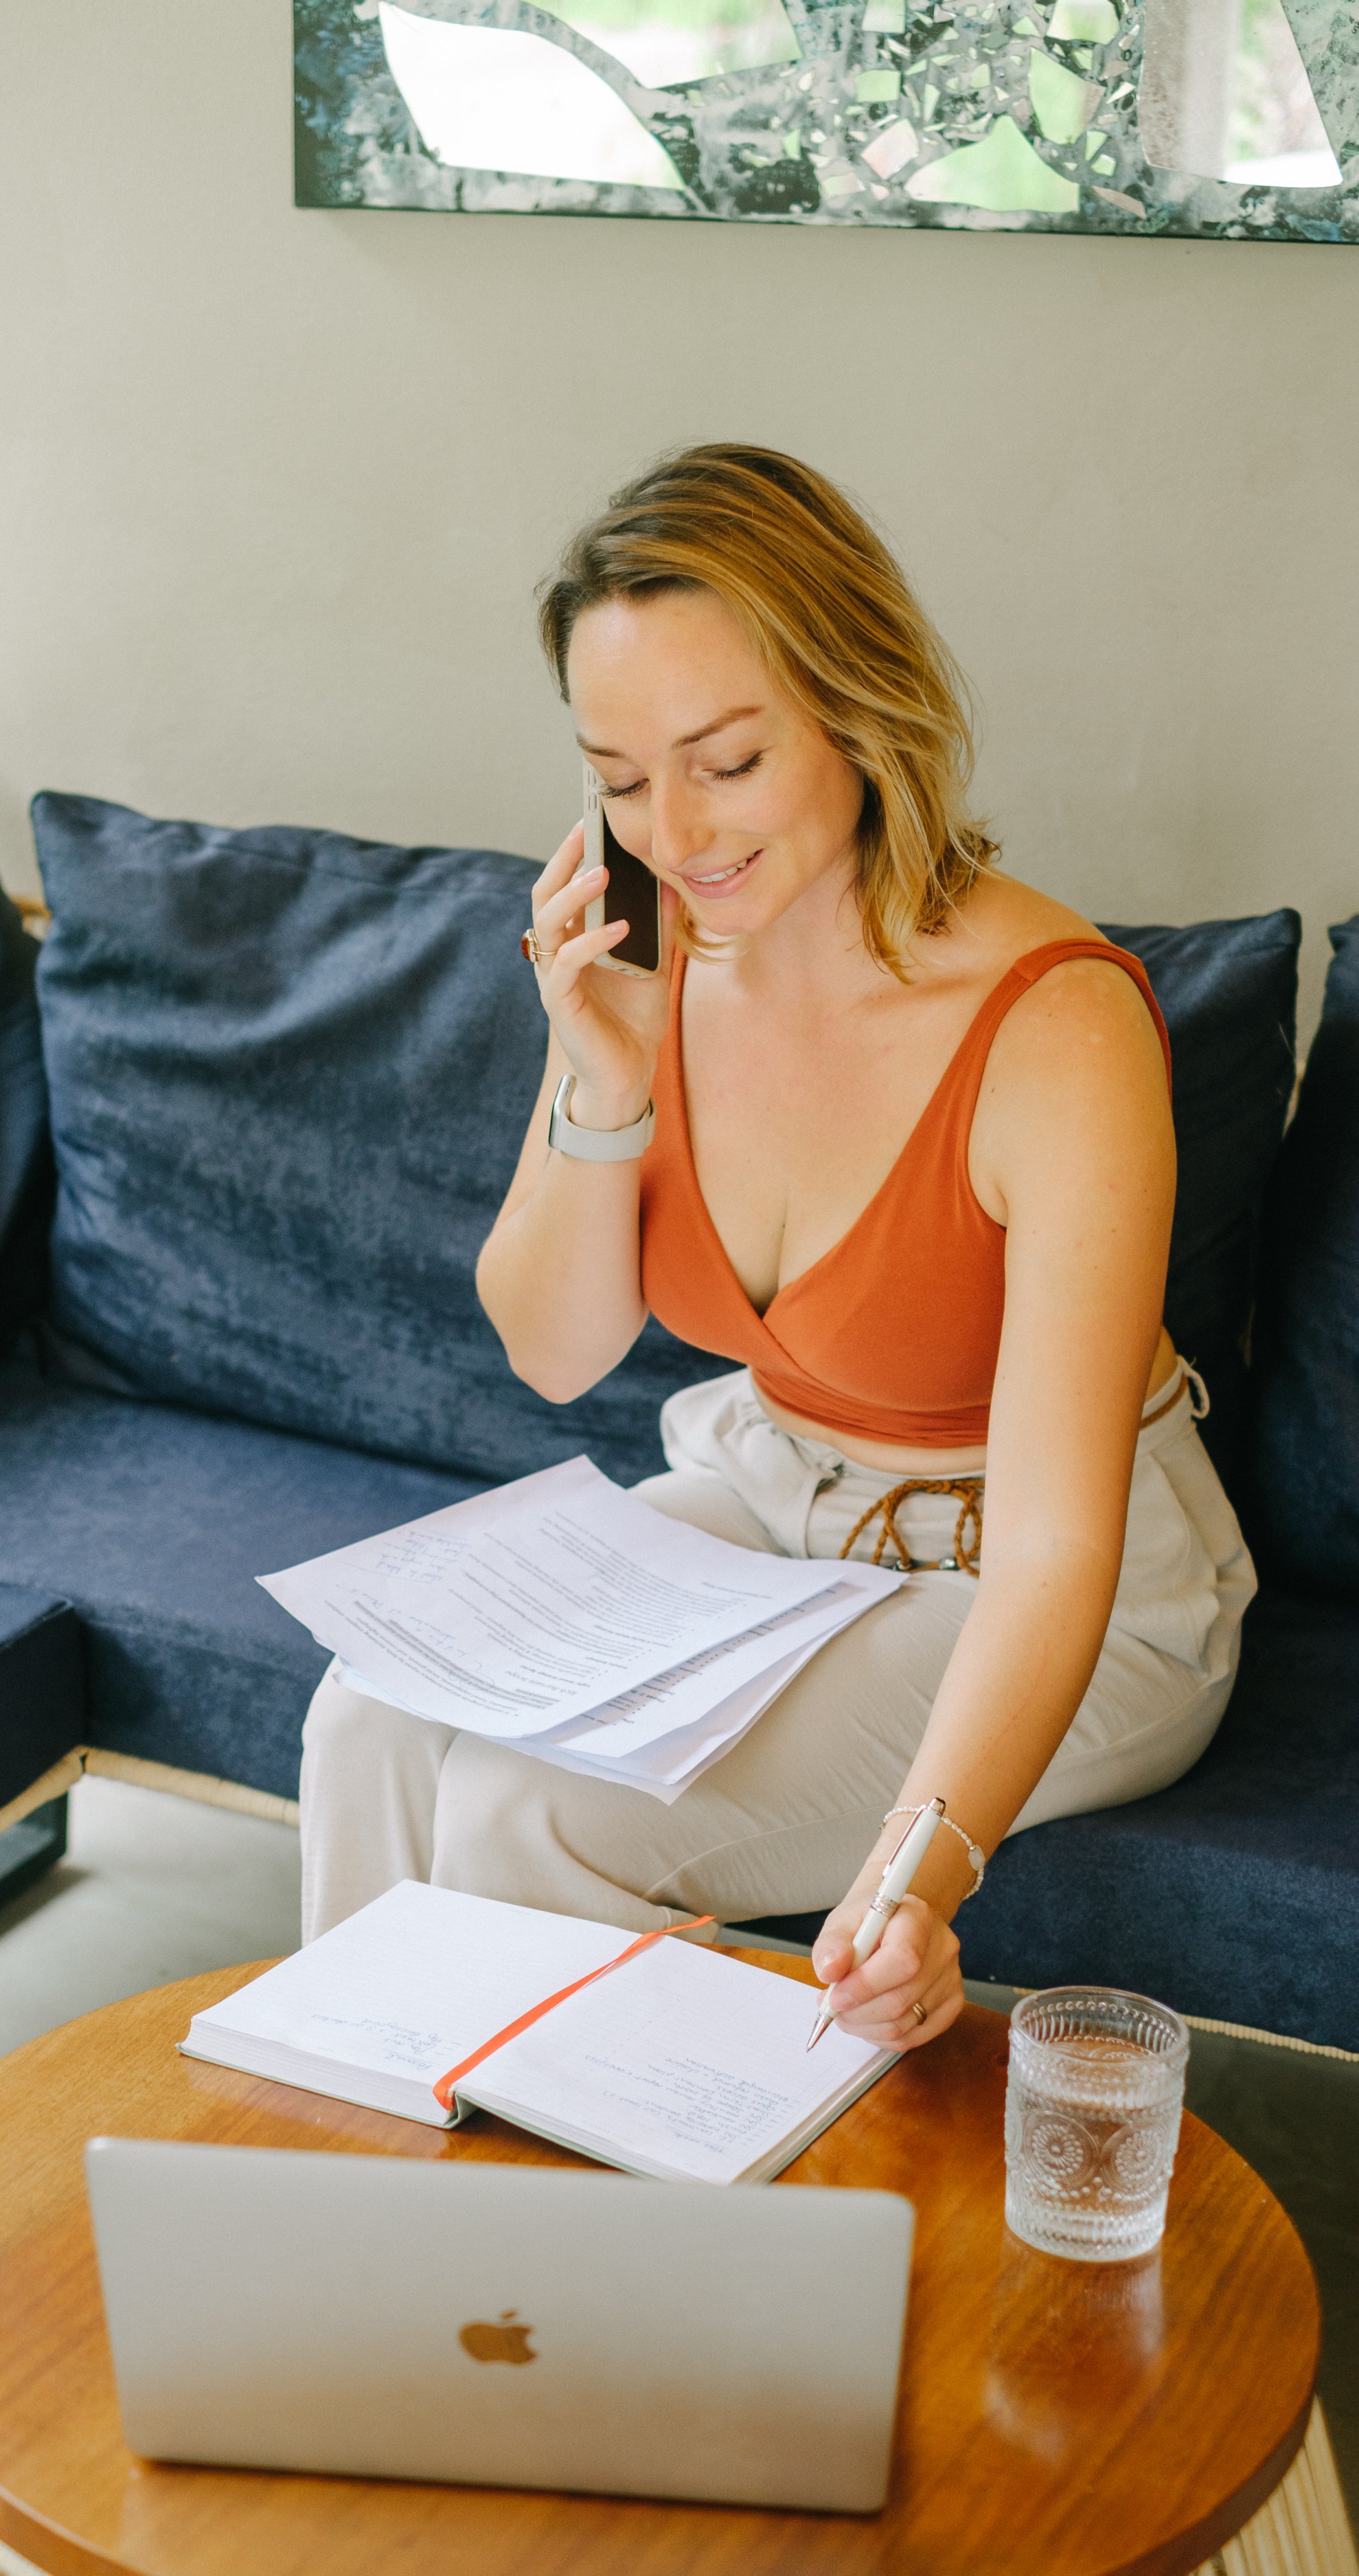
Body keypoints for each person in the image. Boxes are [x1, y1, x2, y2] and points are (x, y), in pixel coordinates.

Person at [298, 443, 1253, 2051]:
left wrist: (918, 1876)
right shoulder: (648, 965)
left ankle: (569, 2287)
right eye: (615, 778)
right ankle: (367, 2190)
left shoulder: (1056, 1030)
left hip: (1050, 1587)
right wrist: (600, 1083)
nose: (669, 834)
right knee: (374, 1715)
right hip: (777, 1496)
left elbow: (1051, 1553)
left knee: (524, 1816)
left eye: (724, 761)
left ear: (853, 711)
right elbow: (552, 1353)